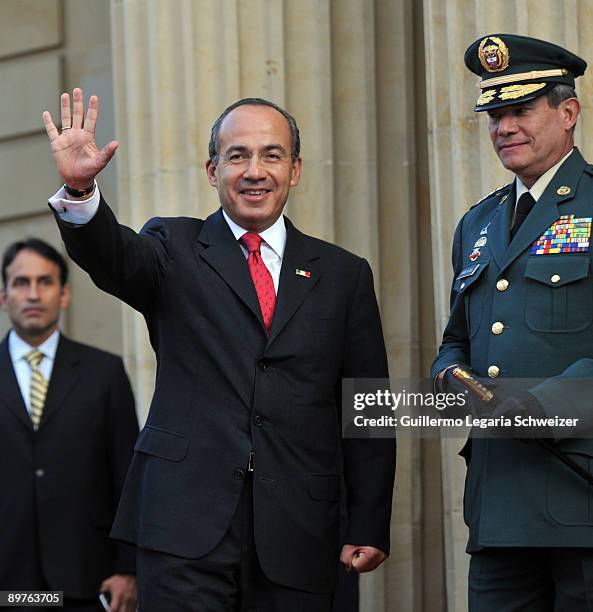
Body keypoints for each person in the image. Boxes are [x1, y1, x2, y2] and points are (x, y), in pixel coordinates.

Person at [42, 92, 396, 611]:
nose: (255, 171)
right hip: (185, 527)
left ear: (295, 170)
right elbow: (112, 257)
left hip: (300, 532)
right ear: (213, 170)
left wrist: (368, 521)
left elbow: (369, 406)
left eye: (271, 155)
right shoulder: (172, 247)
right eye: (238, 156)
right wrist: (80, 188)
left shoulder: (343, 274)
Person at [432, 33, 593, 610]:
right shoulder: (478, 224)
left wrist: (543, 405)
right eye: (495, 114)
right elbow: (456, 342)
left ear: (567, 112)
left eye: (521, 109)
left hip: (580, 493)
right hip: (498, 502)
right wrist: (455, 381)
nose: (504, 127)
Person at [0, 238, 138, 611]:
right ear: (4, 296)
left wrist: (129, 569)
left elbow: (128, 478)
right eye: (20, 283)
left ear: (63, 295)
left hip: (86, 580)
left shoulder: (104, 374)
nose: (32, 294)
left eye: (44, 282)